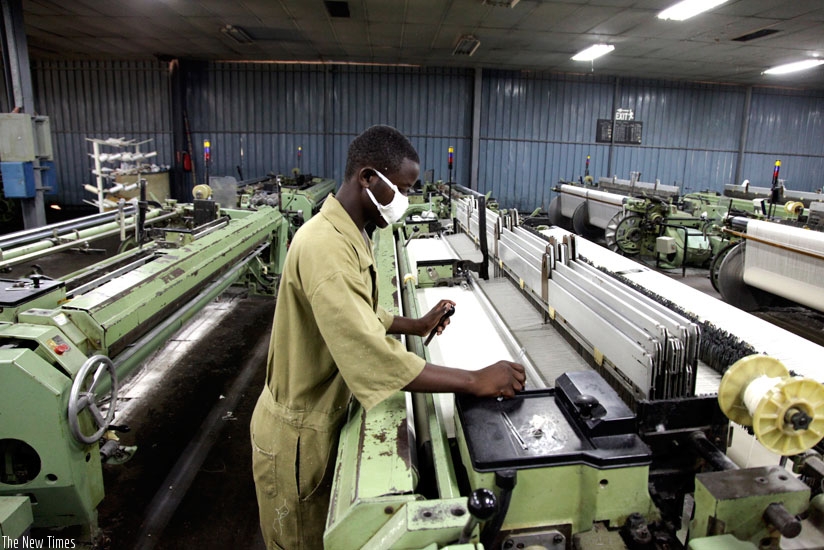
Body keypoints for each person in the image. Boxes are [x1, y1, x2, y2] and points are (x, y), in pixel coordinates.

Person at [250, 125, 526, 550]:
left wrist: (411, 325)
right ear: (367, 177)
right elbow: (369, 354)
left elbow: (358, 312)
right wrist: (473, 379)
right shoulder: (326, 248)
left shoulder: (350, 232)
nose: (406, 202)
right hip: (300, 436)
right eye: (400, 189)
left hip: (317, 417)